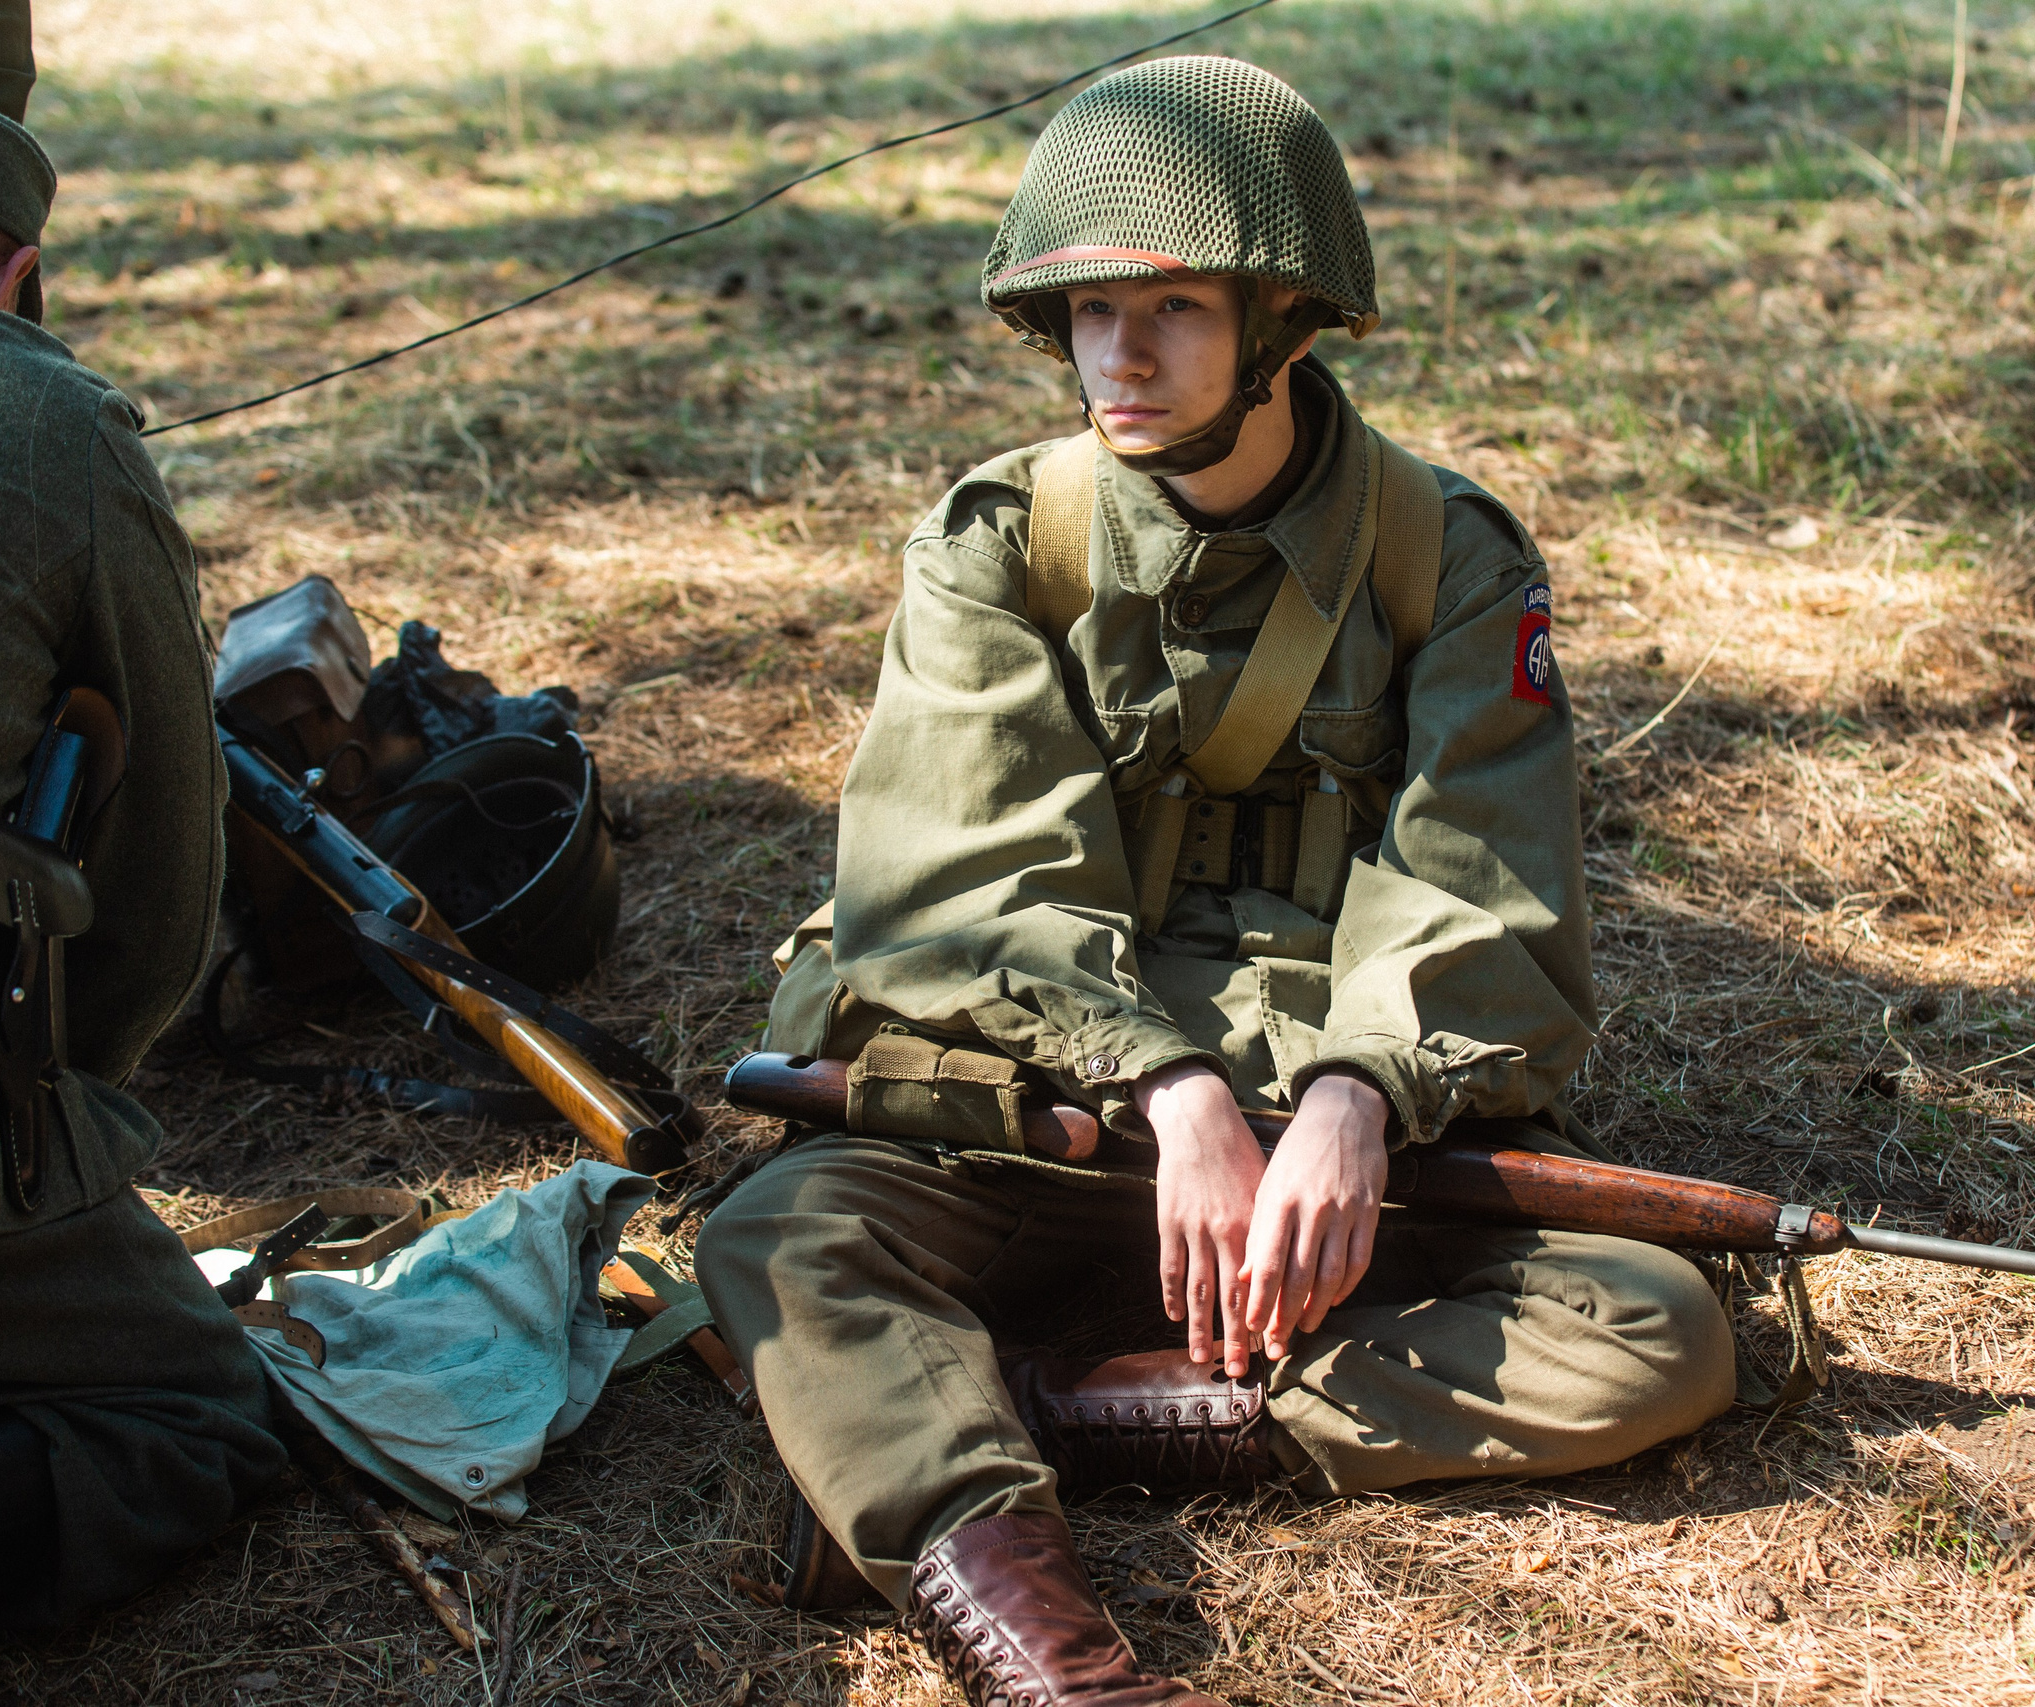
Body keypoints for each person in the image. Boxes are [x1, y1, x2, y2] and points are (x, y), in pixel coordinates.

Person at [696, 56, 1735, 1707]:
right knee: (783, 1237)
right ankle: (1057, 1666)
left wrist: (1354, 1097)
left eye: (1172, 305)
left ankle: (1017, 1405)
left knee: (1655, 1334)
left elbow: (1478, 867)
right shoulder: (998, 542)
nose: (1120, 353)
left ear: (1285, 321)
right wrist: (1169, 1089)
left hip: (1338, 1158)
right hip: (1064, 1113)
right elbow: (967, 872)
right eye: (1090, 309)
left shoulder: (1445, 556)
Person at [0, 5, 288, 1631]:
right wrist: (62, 1117)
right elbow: (161, 853)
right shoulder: (52, 422)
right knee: (189, 1418)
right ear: (18, 274)